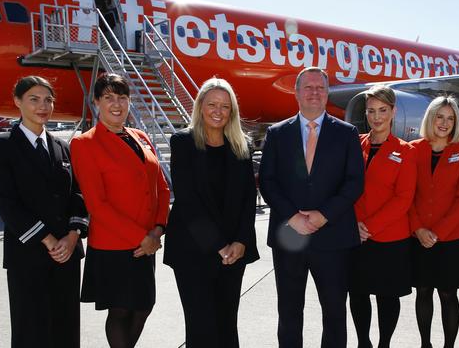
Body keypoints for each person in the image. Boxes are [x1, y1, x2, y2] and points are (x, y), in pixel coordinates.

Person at [259, 67, 365, 348]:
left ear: (327, 92)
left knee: (334, 313)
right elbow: (267, 181)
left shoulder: (347, 133)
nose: (314, 92)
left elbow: (354, 183)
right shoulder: (277, 133)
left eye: (320, 87)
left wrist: (324, 215)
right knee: (289, 312)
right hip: (289, 237)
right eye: (308, 87)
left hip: (333, 238)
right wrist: (292, 216)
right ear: (296, 93)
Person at [0, 76, 88, 348]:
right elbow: (7, 202)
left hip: (66, 254)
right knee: (31, 328)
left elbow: (77, 195)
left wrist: (73, 235)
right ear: (17, 102)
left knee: (65, 327)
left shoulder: (62, 146)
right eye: (34, 99)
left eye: (48, 99)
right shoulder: (0, 146)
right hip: (28, 254)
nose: (43, 106)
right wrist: (49, 240)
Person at [70, 73, 170, 348]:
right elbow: (96, 204)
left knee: (143, 306)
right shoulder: (85, 143)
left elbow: (161, 187)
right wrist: (143, 237)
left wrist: (158, 229)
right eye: (109, 97)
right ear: (96, 102)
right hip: (115, 244)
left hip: (147, 240)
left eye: (122, 97)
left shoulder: (140, 136)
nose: (117, 104)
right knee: (121, 310)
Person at [163, 77, 259, 348]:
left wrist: (240, 241)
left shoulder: (241, 145)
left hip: (234, 251)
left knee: (227, 323)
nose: (218, 111)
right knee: (201, 326)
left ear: (233, 111)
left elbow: (248, 198)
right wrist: (219, 245)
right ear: (200, 106)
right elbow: (188, 200)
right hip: (194, 250)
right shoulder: (183, 141)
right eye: (212, 104)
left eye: (225, 106)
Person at [350, 84, 417, 348]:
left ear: (392, 112)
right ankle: (363, 342)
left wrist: (370, 227)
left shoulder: (406, 151)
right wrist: (355, 225)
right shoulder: (355, 144)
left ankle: (384, 344)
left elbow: (403, 199)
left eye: (382, 110)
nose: (376, 117)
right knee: (357, 292)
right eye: (371, 111)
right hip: (356, 235)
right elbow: (346, 188)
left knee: (386, 296)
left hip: (389, 238)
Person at [408, 96, 459, 348]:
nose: (444, 123)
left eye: (450, 118)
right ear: (430, 118)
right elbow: (408, 194)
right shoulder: (414, 149)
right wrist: (418, 229)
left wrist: (438, 233)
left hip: (451, 237)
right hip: (419, 235)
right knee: (423, 291)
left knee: (448, 294)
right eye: (440, 116)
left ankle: (449, 345)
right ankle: (425, 344)